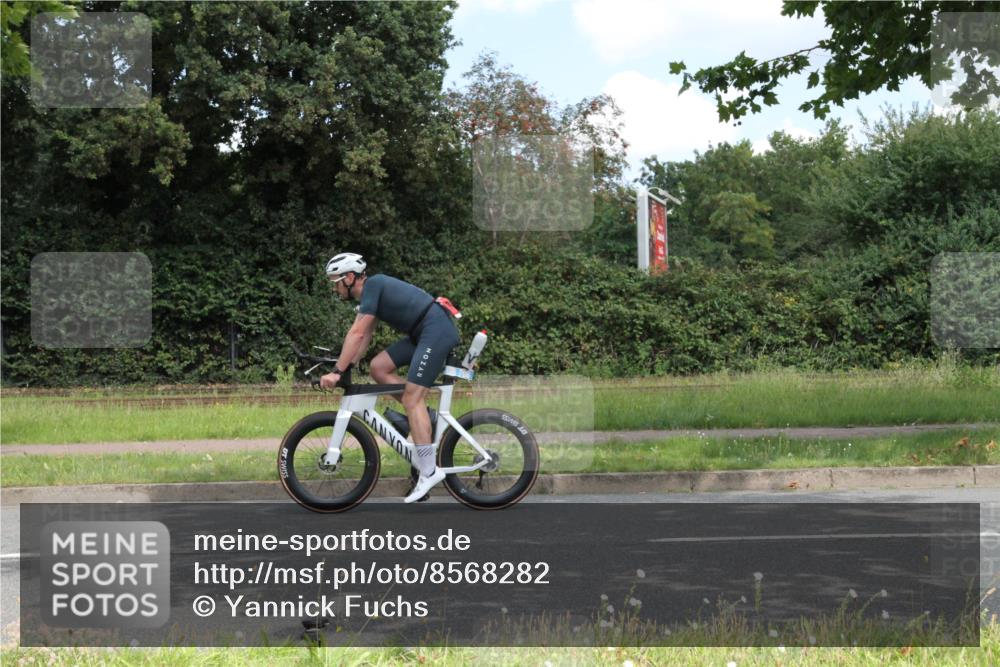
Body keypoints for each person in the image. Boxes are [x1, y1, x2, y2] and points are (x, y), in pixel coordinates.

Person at [319, 252, 460, 503]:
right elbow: (365, 335)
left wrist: (337, 372)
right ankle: (424, 416)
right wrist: (350, 364)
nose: (334, 288)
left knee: (411, 400)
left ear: (350, 278)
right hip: (424, 331)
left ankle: (428, 472)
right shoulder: (370, 294)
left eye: (335, 281)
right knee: (378, 368)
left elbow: (358, 332)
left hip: (435, 330)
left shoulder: (373, 286)